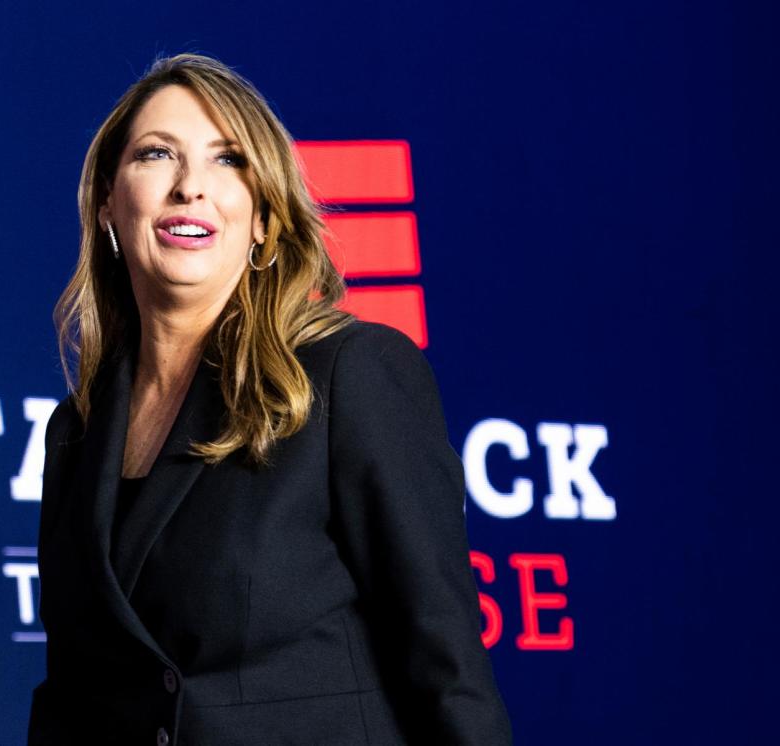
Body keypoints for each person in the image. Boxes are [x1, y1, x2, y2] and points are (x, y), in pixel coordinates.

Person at [28, 53, 512, 745]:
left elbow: (446, 665)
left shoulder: (351, 374)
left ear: (262, 217)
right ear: (108, 200)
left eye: (228, 161)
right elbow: (72, 697)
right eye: (158, 154)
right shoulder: (74, 434)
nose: (190, 187)